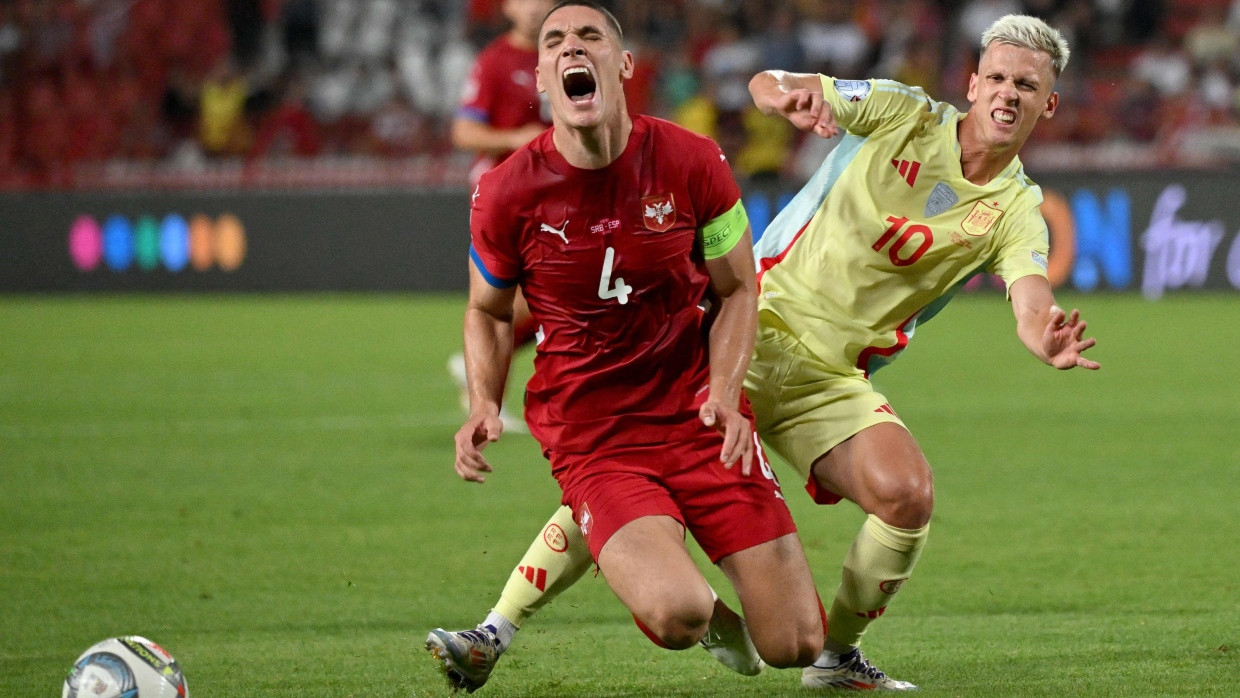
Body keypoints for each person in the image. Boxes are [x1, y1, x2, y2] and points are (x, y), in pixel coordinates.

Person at [430, 12, 1101, 692]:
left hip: (830, 378)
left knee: (907, 495)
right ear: (972, 81)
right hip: (745, 333)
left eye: (1025, 85)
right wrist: (785, 94)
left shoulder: (1017, 209)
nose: (1006, 94)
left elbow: (1030, 293)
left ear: (1047, 102)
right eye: (996, 78)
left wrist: (1042, 334)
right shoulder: (903, 112)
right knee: (625, 463)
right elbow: (774, 81)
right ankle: (497, 626)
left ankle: (835, 658)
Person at [426, 1, 825, 693]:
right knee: (678, 614)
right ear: (544, 78)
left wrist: (725, 397)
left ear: (624, 65)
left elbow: (738, 290)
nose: (572, 47)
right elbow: (488, 310)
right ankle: (686, 596)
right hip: (596, 432)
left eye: (590, 36)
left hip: (698, 418)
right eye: (555, 42)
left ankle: (699, 593)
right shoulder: (505, 193)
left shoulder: (694, 162)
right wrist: (484, 402)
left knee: (795, 644)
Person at [447, 0, 555, 434]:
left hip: (548, 194)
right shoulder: (495, 61)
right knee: (529, 298)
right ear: (507, 7)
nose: (535, 8)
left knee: (539, 301)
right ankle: (485, 389)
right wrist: (515, 137)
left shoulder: (560, 54)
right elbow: (462, 131)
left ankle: (484, 387)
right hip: (504, 194)